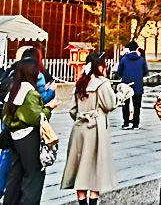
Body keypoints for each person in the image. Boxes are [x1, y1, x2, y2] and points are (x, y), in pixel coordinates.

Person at [61, 52, 118, 205]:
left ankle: (82, 202)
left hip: (79, 129)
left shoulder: (80, 83)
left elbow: (72, 110)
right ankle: (93, 202)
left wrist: (82, 116)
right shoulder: (102, 83)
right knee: (94, 168)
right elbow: (110, 104)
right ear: (99, 66)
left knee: (81, 167)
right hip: (96, 129)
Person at [0, 47, 56, 201]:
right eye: (36, 71)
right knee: (34, 175)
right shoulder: (29, 92)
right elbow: (36, 117)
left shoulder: (14, 89)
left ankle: (10, 201)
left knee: (16, 173)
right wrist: (49, 108)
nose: (39, 75)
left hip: (14, 136)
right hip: (28, 136)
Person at [117, 41, 148, 130]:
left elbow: (119, 72)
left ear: (128, 49)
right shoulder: (141, 60)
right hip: (137, 84)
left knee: (125, 104)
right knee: (137, 106)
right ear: (137, 49)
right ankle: (136, 124)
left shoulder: (124, 59)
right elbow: (145, 71)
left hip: (126, 85)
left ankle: (126, 123)